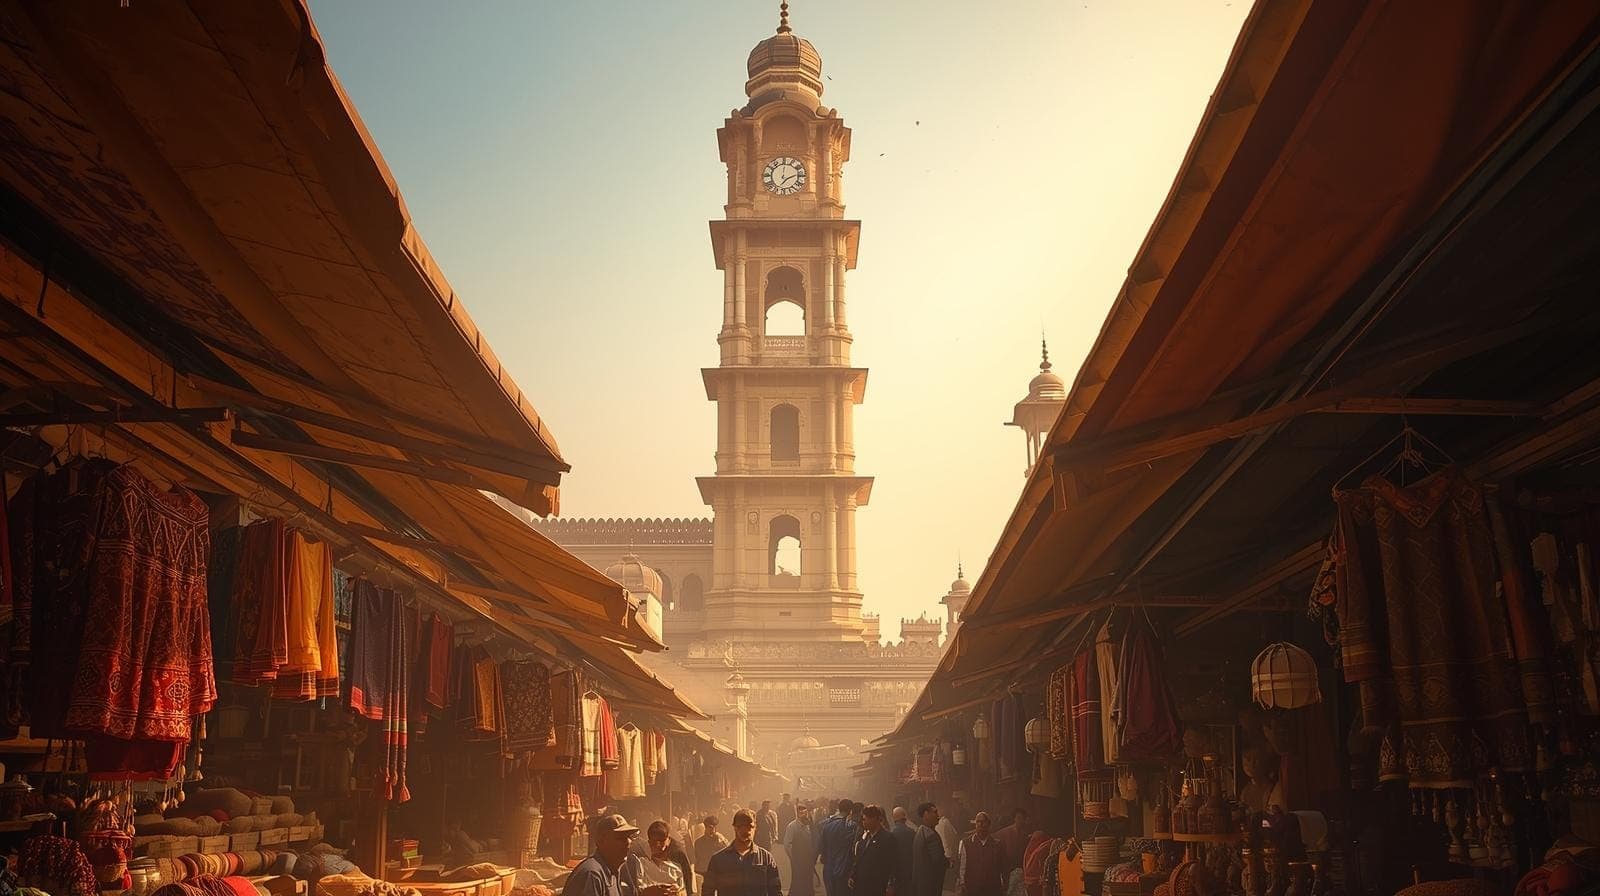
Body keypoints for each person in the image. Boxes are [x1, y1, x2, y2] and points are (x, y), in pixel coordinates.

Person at [563, 815, 673, 896]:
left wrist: (646, 893)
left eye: (629, 837)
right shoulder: (592, 874)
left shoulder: (615, 869)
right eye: (620, 838)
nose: (628, 842)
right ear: (601, 841)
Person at [704, 808, 783, 896]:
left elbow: (775, 891)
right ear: (734, 828)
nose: (745, 830)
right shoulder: (718, 860)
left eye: (749, 826)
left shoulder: (766, 858)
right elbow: (707, 891)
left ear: (755, 828)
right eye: (740, 826)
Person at [848, 806, 896, 896]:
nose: (863, 822)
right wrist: (853, 875)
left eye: (865, 819)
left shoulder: (887, 838)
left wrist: (891, 885)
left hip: (878, 886)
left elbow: (892, 864)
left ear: (874, 819)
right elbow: (859, 859)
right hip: (862, 886)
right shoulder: (865, 837)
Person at [956, 813, 1005, 896]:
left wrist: (1003, 884)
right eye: (978, 822)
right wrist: (962, 883)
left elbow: (1002, 866)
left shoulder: (997, 844)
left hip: (992, 888)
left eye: (983, 821)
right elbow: (962, 866)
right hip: (972, 887)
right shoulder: (966, 843)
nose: (980, 824)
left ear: (989, 824)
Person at [819, 801, 859, 896]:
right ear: (850, 811)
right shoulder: (851, 826)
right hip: (843, 869)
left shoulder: (826, 825)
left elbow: (822, 848)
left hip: (828, 869)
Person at [641, 822, 690, 896]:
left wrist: (679, 892)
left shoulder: (677, 854)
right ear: (649, 841)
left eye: (661, 841)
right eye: (654, 842)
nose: (658, 845)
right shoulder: (640, 862)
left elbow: (687, 878)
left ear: (668, 839)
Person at [910, 804, 948, 896]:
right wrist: (948, 862)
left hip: (921, 885)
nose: (938, 815)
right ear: (926, 814)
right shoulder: (930, 835)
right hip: (930, 886)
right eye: (934, 812)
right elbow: (938, 861)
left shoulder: (920, 832)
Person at [784, 805, 820, 896]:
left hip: (808, 859)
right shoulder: (792, 826)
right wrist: (794, 858)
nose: (804, 815)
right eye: (801, 813)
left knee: (808, 881)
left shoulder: (809, 825)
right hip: (797, 859)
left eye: (805, 813)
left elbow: (814, 839)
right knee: (797, 881)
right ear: (797, 814)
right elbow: (787, 844)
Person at [889, 808, 917, 894]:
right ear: (904, 818)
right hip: (910, 870)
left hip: (896, 872)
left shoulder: (891, 833)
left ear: (893, 818)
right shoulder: (912, 832)